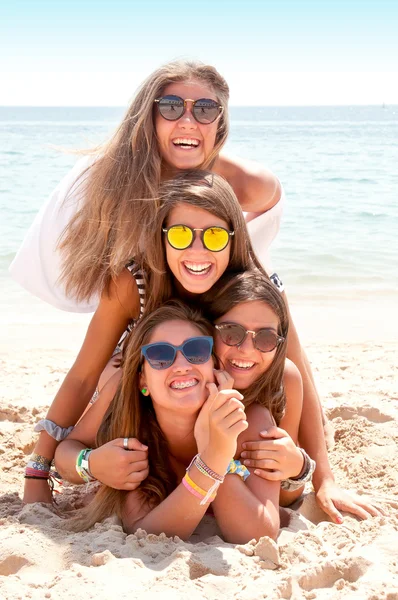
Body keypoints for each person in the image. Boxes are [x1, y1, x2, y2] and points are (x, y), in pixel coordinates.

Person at [23, 170, 262, 504]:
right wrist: (39, 470)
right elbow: (83, 376)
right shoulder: (132, 283)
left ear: (234, 237)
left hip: (209, 401)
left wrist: (319, 474)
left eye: (215, 237)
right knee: (118, 371)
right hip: (144, 387)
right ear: (161, 237)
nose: (196, 249)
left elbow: (291, 368)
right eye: (179, 235)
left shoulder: (247, 290)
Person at [10, 59, 282, 312]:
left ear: (219, 123)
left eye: (205, 110)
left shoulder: (245, 182)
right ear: (150, 116)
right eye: (171, 107)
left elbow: (267, 216)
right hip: (149, 310)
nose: (188, 122)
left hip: (222, 298)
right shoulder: (107, 176)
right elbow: (63, 264)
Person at [54, 301, 281, 543]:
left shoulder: (250, 420)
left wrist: (218, 452)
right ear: (143, 381)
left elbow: (259, 535)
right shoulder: (138, 437)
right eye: (160, 356)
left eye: (196, 350)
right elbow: (147, 532)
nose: (182, 366)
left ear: (214, 366)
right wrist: (93, 464)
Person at [203, 271, 385, 522]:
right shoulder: (193, 382)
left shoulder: (284, 381)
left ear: (279, 341)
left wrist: (298, 469)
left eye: (265, 338)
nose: (246, 349)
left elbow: (284, 497)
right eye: (231, 332)